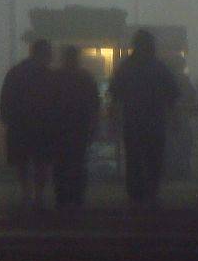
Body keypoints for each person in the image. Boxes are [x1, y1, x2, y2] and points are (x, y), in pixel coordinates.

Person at [108, 29, 179, 211]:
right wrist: (172, 115)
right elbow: (173, 93)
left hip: (133, 121)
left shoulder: (126, 67)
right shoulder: (159, 67)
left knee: (134, 159)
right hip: (155, 121)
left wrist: (114, 117)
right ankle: (151, 194)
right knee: (154, 159)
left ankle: (136, 196)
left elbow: (114, 93)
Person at [0, 38, 56, 214]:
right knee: (41, 162)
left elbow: (6, 98)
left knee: (22, 162)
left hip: (20, 125)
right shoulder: (48, 76)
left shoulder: (16, 72)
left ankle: (26, 196)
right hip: (42, 126)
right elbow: (55, 101)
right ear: (43, 54)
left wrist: (8, 118)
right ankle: (38, 197)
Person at [50, 44, 100, 212]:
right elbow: (95, 103)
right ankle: (77, 196)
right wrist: (93, 125)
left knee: (61, 163)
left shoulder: (55, 78)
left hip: (59, 127)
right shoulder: (85, 78)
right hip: (80, 127)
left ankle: (62, 196)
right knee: (78, 162)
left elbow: (48, 103)